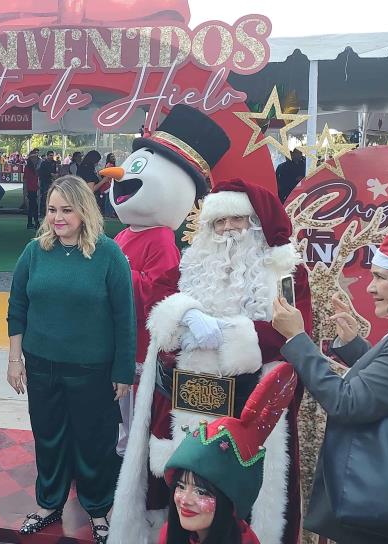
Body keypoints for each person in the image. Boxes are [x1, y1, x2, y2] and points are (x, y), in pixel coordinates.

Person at [114, 179, 311, 544]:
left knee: (238, 498)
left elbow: (296, 335)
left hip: (245, 405)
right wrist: (183, 313)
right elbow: (158, 306)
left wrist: (230, 333)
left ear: (255, 223)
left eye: (236, 220)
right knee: (179, 492)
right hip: (186, 400)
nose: (227, 230)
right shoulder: (193, 264)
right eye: (218, 223)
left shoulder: (285, 273)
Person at [272, 229, 388, 544]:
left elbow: (348, 403)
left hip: (379, 503)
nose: (371, 288)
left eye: (380, 278)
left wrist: (297, 339)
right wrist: (353, 346)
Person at [7, 176, 136, 543]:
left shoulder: (108, 254)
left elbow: (124, 317)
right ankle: (49, 503)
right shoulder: (34, 252)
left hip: (92, 370)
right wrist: (15, 360)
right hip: (41, 365)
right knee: (48, 438)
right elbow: (17, 307)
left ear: (84, 210)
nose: (57, 217)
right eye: (51, 210)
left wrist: (122, 370)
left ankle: (98, 508)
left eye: (66, 209)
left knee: (94, 442)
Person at [160, 364, 298, 544]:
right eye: (181, 486)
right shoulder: (170, 533)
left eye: (201, 492)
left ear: (230, 500)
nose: (185, 500)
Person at [37, 150, 58, 218]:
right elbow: (41, 173)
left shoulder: (54, 163)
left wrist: (55, 175)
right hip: (45, 182)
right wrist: (50, 174)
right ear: (47, 156)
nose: (51, 157)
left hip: (52, 181)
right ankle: (42, 212)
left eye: (52, 155)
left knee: (52, 197)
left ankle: (50, 211)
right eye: (50, 155)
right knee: (44, 197)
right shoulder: (44, 163)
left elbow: (55, 171)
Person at [24, 148, 41, 230]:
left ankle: (31, 223)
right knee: (33, 206)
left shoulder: (35, 167)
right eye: (33, 158)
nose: (35, 159)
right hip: (30, 189)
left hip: (34, 189)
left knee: (32, 207)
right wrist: (25, 192)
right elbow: (25, 180)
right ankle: (35, 222)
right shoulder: (27, 168)